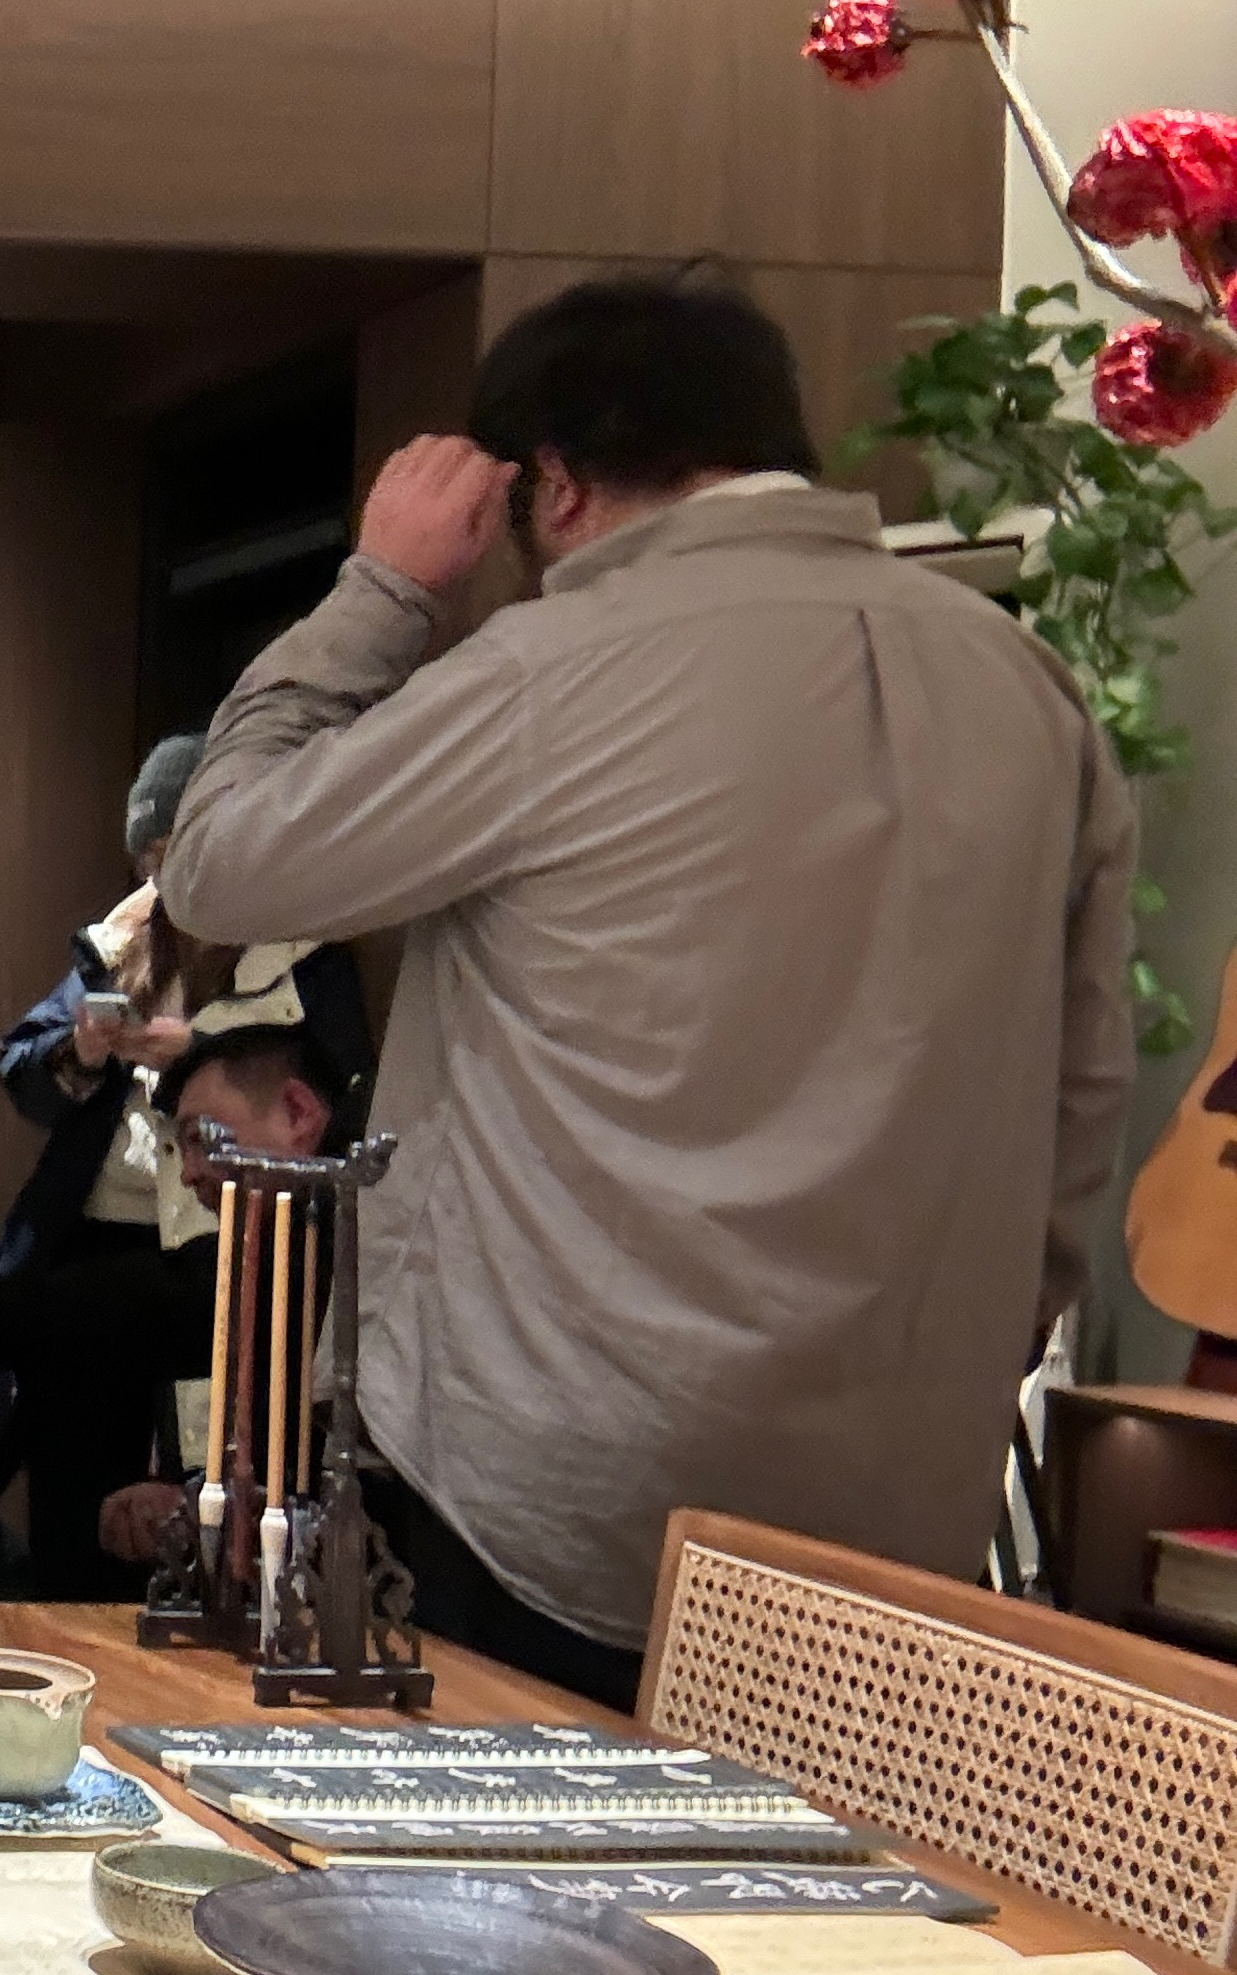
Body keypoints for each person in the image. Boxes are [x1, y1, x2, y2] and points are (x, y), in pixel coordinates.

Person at [160, 272, 1138, 1709]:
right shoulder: (1031, 690)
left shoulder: (549, 672)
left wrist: (384, 590)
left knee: (508, 1851)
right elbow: (1085, 1095)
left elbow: (219, 867)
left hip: (561, 1484)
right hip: (895, 1514)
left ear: (551, 486)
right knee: (814, 1862)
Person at [0, 734, 369, 1598]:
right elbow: (20, 1063)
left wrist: (194, 1050)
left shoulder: (303, 957)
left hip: (228, 1256)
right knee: (78, 1525)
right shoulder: (122, 943)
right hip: (98, 1247)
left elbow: (333, 1094)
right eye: (151, 861)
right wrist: (84, 1050)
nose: (166, 881)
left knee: (206, 1516)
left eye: (178, 855)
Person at [0, 992, 359, 1597]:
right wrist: (196, 1504)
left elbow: (158, 1304)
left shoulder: (336, 1232)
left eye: (204, 1136)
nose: (189, 1171)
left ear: (297, 1112)